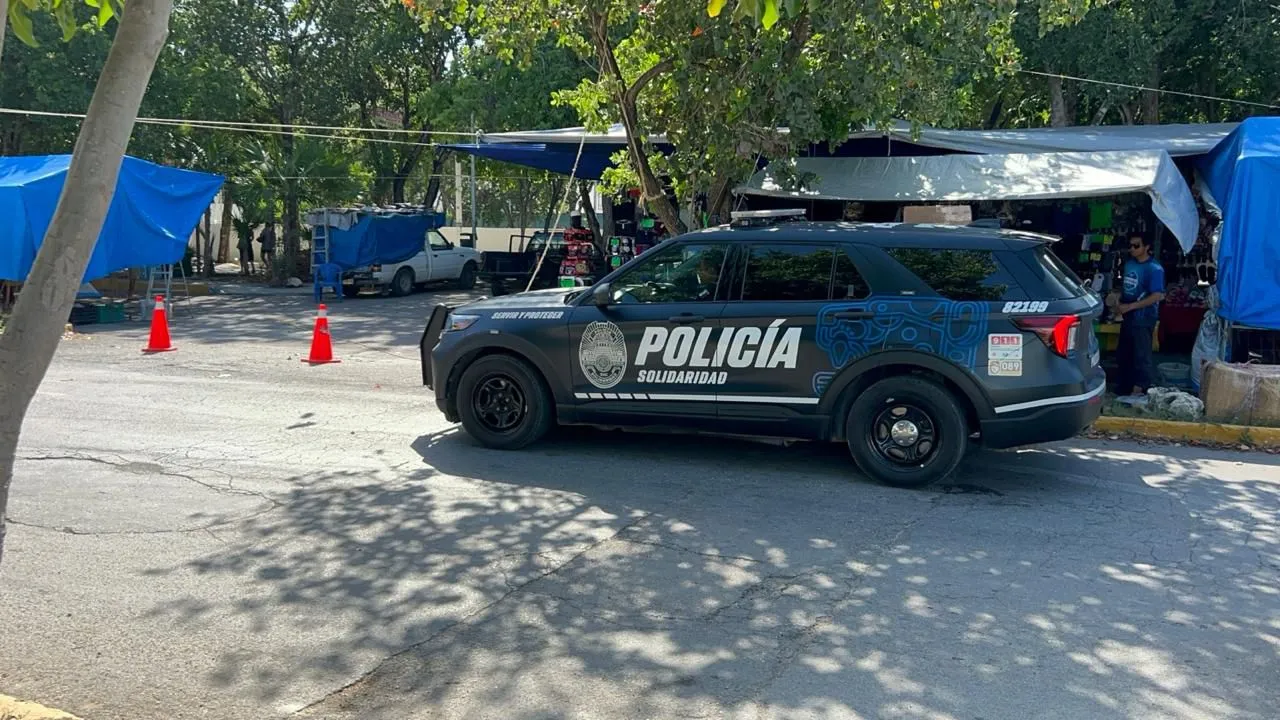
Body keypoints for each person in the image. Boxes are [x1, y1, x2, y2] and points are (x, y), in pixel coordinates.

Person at [1114, 233, 1165, 397]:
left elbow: (1157, 295)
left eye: (1136, 246)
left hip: (1144, 317)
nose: (1132, 249)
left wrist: (1132, 306)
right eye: (1130, 246)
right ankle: (1124, 386)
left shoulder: (1154, 269)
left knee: (1141, 354)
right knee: (1124, 352)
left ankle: (1140, 387)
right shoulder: (1129, 264)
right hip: (1128, 315)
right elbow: (1126, 288)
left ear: (1147, 247)